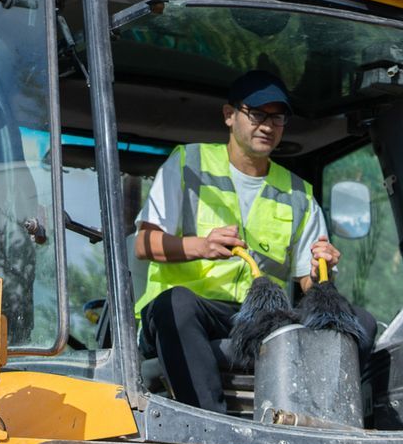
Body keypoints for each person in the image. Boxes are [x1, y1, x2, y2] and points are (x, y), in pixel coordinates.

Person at [133, 71, 340, 411]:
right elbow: (144, 244)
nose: (267, 125)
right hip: (196, 310)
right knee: (176, 305)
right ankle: (206, 428)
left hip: (260, 316)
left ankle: (330, 427)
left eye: (278, 117)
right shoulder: (187, 164)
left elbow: (306, 278)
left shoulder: (299, 193)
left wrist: (321, 271)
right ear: (229, 115)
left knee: (357, 322)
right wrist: (200, 246)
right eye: (257, 114)